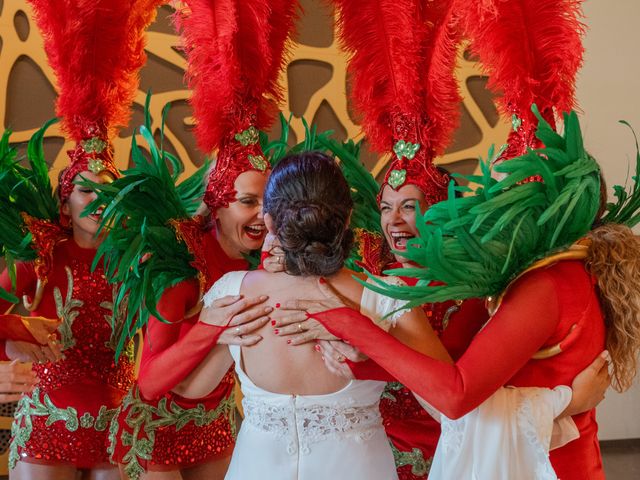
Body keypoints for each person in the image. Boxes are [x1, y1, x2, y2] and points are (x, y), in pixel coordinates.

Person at [289, 110, 638, 480]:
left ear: (542, 205)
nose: (485, 205)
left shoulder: (544, 286)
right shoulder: (561, 272)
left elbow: (456, 395)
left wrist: (354, 328)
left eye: (501, 192)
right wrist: (364, 364)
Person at [108, 1, 298, 477]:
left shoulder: (272, 259)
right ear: (217, 203)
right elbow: (150, 382)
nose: (264, 218)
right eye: (248, 202)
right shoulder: (180, 258)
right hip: (152, 427)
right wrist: (212, 324)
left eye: (270, 204)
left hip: (215, 422)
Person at [1, 1, 162, 477]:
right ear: (65, 200)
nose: (100, 202)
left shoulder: (139, 258)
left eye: (110, 191)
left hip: (118, 425)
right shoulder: (41, 256)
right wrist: (12, 347)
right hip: (49, 425)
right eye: (87, 191)